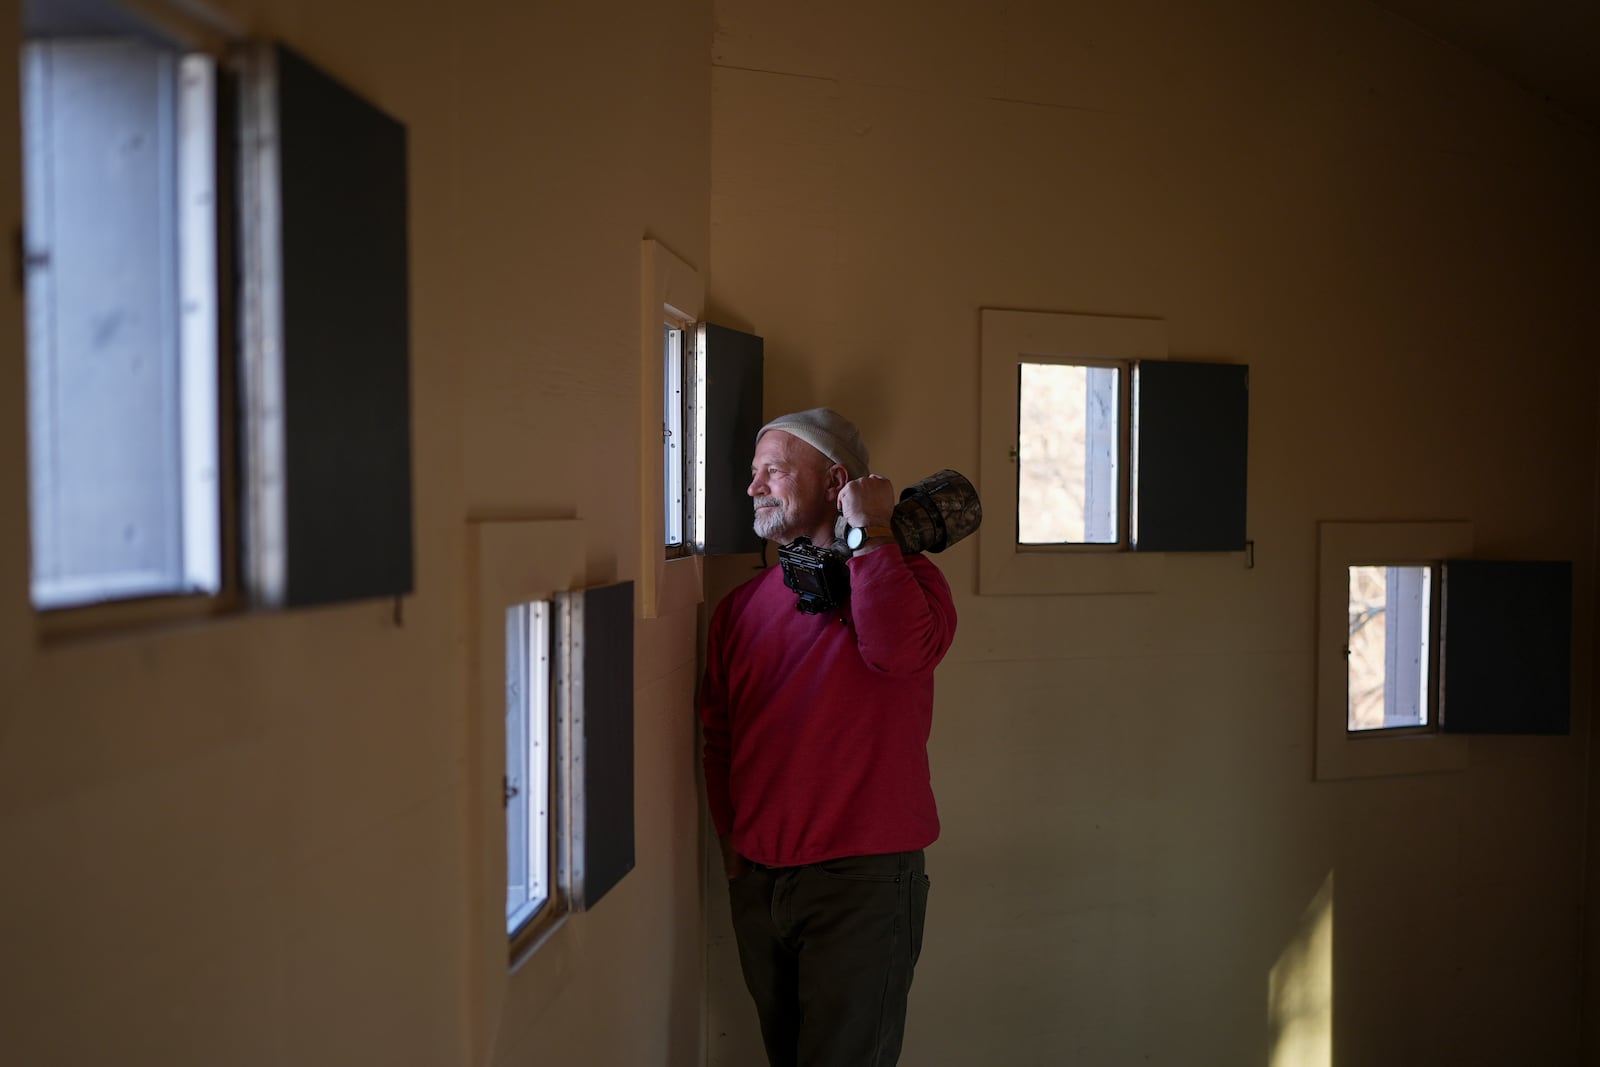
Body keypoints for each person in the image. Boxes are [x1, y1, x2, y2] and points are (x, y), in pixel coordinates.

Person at [699, 407, 958, 1067]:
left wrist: (871, 530)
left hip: (862, 883)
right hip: (760, 880)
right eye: (752, 474)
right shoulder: (740, 608)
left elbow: (899, 652)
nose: (753, 488)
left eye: (774, 471)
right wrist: (736, 853)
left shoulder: (911, 581)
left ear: (835, 479)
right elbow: (719, 736)